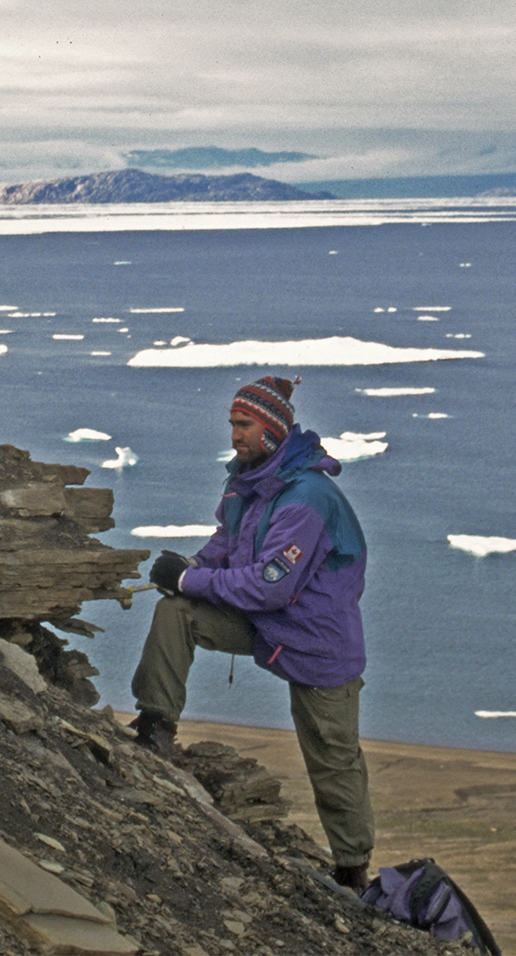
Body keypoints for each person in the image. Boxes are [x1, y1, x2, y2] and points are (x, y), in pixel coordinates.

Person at [129, 375, 375, 890]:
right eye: (233, 424)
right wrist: (193, 565)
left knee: (333, 759)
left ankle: (352, 870)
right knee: (178, 612)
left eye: (245, 424)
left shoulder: (306, 497)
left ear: (273, 429)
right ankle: (155, 729)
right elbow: (229, 540)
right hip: (269, 626)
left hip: (316, 642)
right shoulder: (251, 479)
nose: (235, 434)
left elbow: (270, 586)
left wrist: (189, 578)